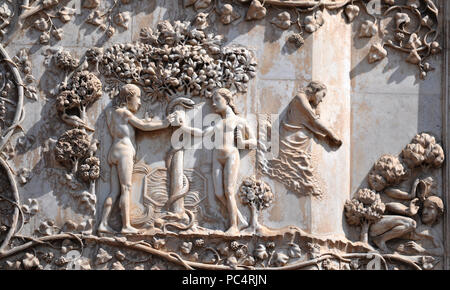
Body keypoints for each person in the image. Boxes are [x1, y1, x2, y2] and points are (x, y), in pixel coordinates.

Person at [98, 84, 178, 234]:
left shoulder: (110, 112)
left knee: (114, 192)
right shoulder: (125, 113)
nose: (139, 102)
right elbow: (143, 126)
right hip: (124, 152)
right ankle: (126, 225)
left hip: (113, 151)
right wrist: (165, 123)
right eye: (138, 97)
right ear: (128, 98)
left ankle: (103, 223)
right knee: (126, 188)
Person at [178, 88, 256, 235]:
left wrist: (242, 142)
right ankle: (239, 219)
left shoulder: (239, 121)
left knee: (229, 191)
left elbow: (253, 141)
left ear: (227, 100)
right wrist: (184, 128)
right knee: (219, 193)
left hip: (231, 156)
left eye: (217, 100)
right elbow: (201, 133)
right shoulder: (218, 122)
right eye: (212, 100)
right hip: (217, 157)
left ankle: (233, 226)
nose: (213, 104)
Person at [261, 81, 342, 197]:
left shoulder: (307, 100)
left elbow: (315, 116)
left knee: (301, 167)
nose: (323, 100)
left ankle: (304, 183)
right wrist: (332, 134)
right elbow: (314, 120)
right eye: (322, 95)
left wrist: (316, 102)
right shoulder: (300, 99)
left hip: (299, 140)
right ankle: (303, 184)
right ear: (315, 90)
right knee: (299, 167)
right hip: (290, 140)